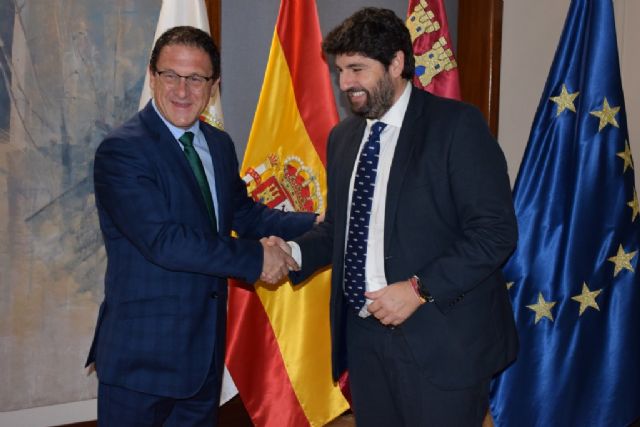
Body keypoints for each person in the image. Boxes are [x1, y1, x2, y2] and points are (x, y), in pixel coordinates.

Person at [276, 7, 518, 426]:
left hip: (443, 340)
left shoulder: (456, 126)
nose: (344, 83)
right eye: (340, 71)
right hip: (365, 342)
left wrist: (418, 289)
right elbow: (340, 229)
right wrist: (292, 253)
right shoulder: (343, 138)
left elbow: (494, 232)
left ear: (396, 63)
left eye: (357, 69)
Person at [86, 26, 315, 426]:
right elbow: (164, 241)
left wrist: (318, 222)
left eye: (196, 78)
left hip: (202, 358)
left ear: (214, 86)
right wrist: (256, 259)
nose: (182, 90)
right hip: (141, 363)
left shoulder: (219, 144)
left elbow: (244, 214)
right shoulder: (123, 150)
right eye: (170, 75)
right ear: (152, 76)